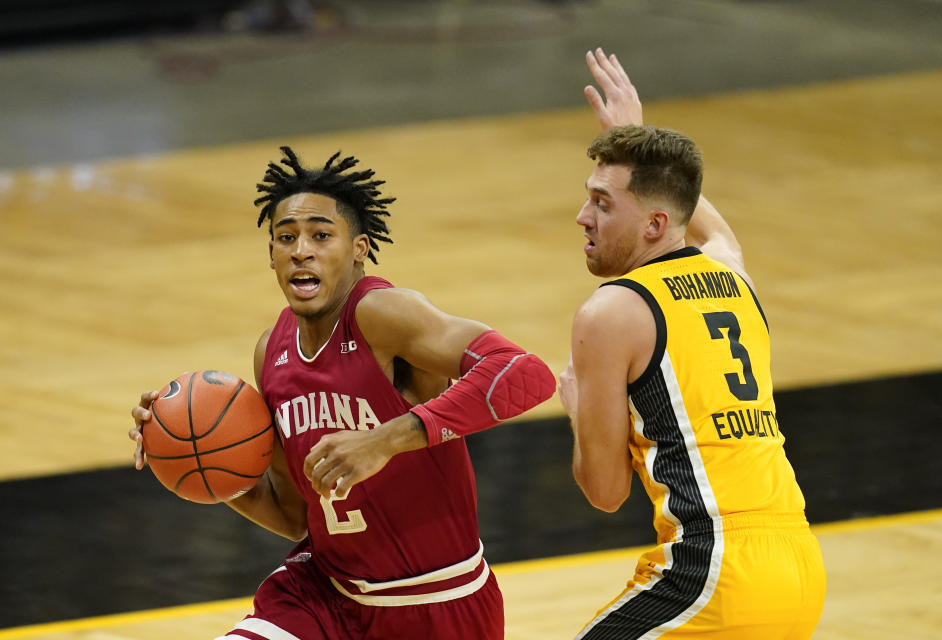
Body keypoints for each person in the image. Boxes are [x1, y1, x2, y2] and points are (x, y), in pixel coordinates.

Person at [129, 147, 556, 639]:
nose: (301, 250)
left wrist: (385, 440)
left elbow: (525, 374)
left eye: (321, 235)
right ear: (271, 255)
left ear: (360, 248)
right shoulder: (271, 351)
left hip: (440, 602)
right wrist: (192, 457)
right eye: (285, 237)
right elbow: (294, 515)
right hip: (323, 595)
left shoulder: (382, 313)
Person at [557, 49, 826, 639]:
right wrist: (634, 140)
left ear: (653, 225)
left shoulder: (610, 312)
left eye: (603, 203)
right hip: (799, 564)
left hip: (712, 567)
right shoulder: (732, 273)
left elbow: (604, 492)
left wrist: (577, 409)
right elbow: (710, 226)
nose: (582, 216)